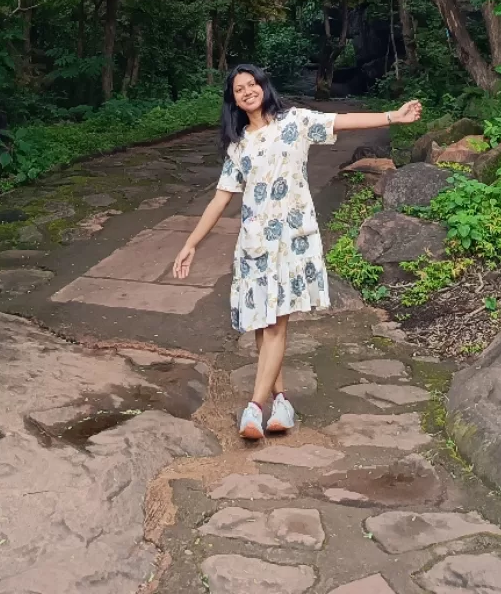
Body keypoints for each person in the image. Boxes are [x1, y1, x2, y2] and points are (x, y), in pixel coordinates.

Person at [172, 64, 422, 439]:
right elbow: (220, 199)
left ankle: (254, 408)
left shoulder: (295, 122)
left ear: (263, 86)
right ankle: (282, 403)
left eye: (252, 84)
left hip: (292, 241)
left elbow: (341, 121)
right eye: (239, 89)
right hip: (255, 245)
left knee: (275, 322)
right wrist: (190, 243)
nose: (247, 91)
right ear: (234, 101)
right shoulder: (238, 145)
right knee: (262, 323)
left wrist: (393, 117)